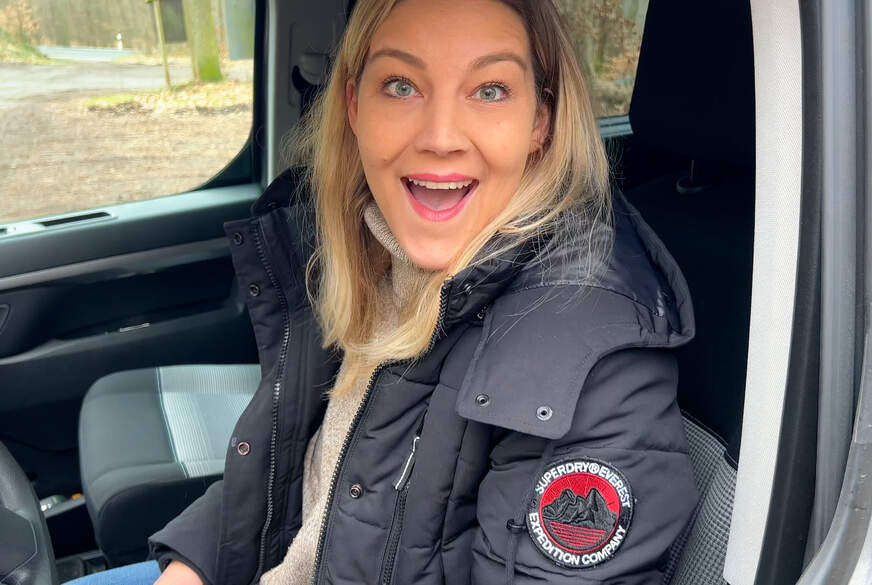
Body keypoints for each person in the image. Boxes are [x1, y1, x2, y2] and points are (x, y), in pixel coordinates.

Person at [70, 0, 698, 583]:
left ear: (541, 121)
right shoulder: (362, 250)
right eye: (401, 85)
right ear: (354, 106)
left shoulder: (592, 358)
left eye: (490, 90)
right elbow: (294, 469)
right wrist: (192, 566)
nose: (440, 136)